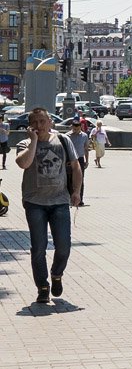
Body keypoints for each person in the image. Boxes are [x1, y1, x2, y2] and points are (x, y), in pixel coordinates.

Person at [16, 107, 82, 304]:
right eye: (35, 122)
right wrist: (34, 141)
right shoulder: (25, 143)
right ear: (30, 125)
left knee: (63, 247)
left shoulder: (63, 141)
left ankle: (56, 274)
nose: (39, 126)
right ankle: (43, 287)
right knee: (38, 247)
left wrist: (76, 191)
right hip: (35, 203)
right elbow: (23, 164)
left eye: (43, 121)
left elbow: (76, 166)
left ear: (50, 122)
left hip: (60, 201)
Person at [66, 118, 90, 207]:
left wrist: (87, 161)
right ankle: (69, 199)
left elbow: (86, 149)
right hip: (69, 159)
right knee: (69, 179)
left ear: (81, 127)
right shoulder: (67, 136)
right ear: (72, 127)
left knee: (80, 179)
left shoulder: (84, 136)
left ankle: (80, 200)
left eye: (78, 129)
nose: (76, 131)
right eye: (74, 129)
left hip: (80, 159)